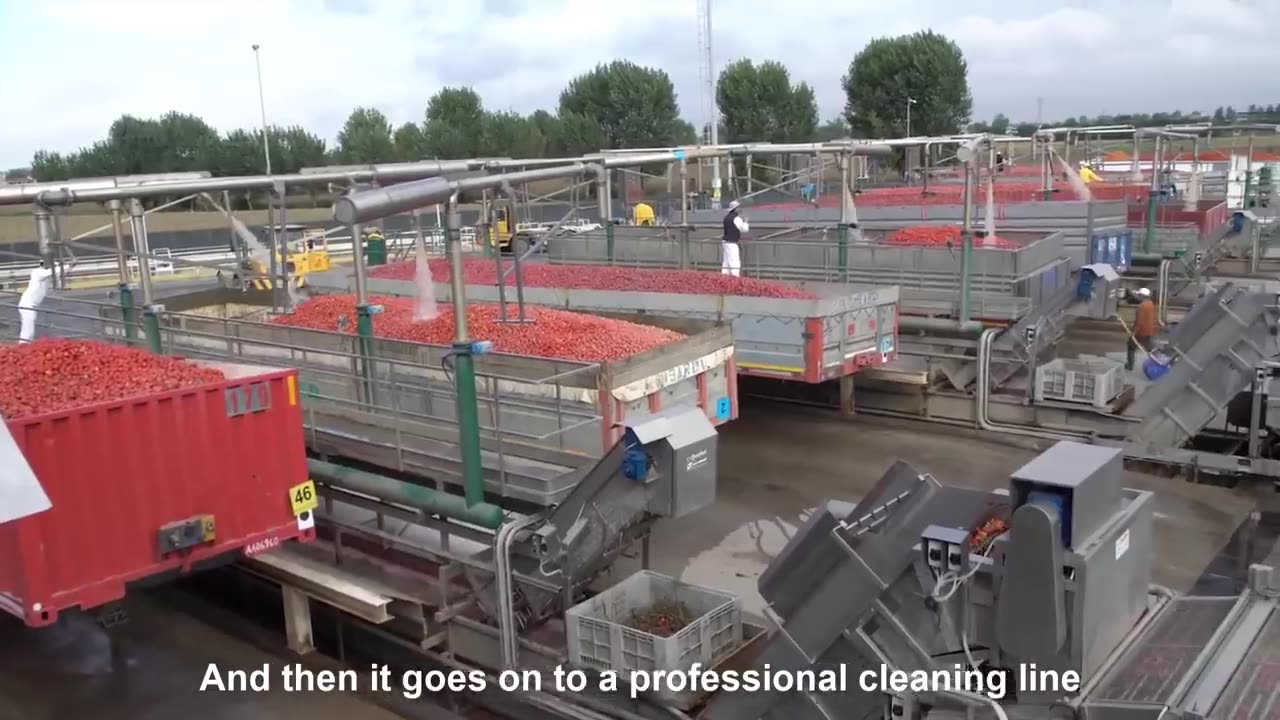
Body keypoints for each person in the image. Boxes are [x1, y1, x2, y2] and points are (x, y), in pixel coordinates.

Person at [18, 261, 55, 343]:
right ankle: (23, 344)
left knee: (29, 327)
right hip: (27, 304)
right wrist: (68, 266)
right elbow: (51, 272)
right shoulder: (37, 272)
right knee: (28, 328)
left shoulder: (46, 279)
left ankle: (25, 344)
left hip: (32, 305)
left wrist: (69, 267)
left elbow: (53, 274)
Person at [1127, 287, 1159, 371]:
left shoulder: (1141, 307)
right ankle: (1156, 364)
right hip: (1149, 331)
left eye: (1139, 295)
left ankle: (1130, 365)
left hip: (1140, 332)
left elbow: (1139, 322)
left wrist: (1133, 332)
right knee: (1149, 349)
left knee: (1131, 347)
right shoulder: (1151, 304)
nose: (1139, 296)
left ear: (1142, 295)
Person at [721, 200, 748, 277]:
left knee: (726, 261)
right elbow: (744, 229)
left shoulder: (727, 217)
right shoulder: (736, 218)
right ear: (736, 208)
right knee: (734, 260)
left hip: (725, 241)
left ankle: (724, 276)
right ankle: (735, 277)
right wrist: (745, 222)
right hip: (732, 242)